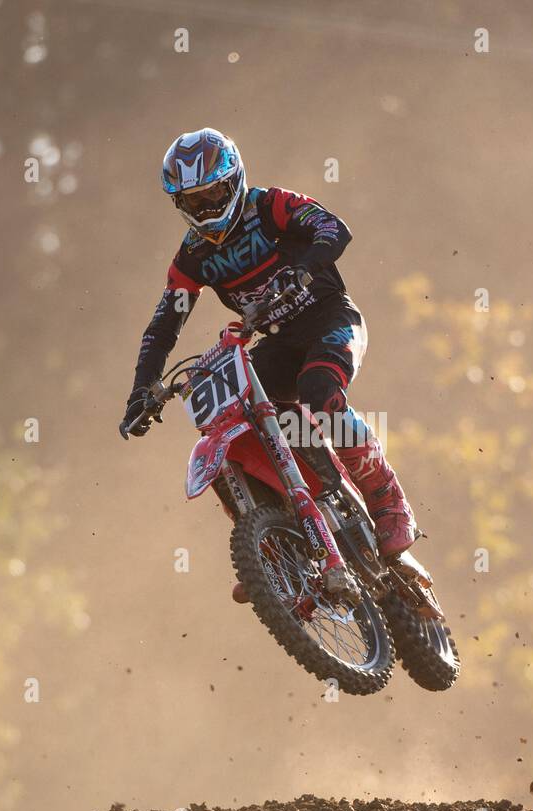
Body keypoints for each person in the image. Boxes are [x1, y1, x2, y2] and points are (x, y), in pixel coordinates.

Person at [122, 128, 419, 599]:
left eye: (214, 194)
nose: (207, 209)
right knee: (236, 419)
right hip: (275, 342)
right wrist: (142, 390)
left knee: (321, 393)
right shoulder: (193, 257)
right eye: (194, 202)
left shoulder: (270, 206)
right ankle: (278, 547)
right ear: (179, 205)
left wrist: (305, 267)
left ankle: (385, 497)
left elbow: (333, 228)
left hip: (328, 320)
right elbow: (163, 326)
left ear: (234, 180)